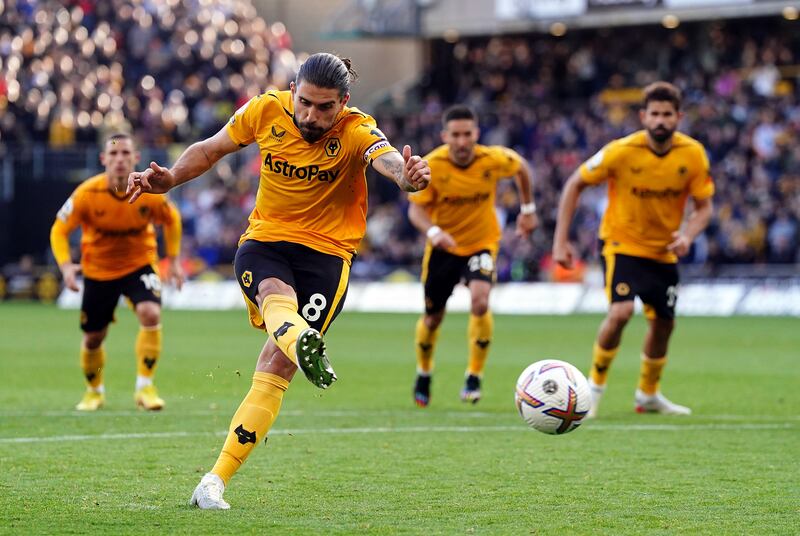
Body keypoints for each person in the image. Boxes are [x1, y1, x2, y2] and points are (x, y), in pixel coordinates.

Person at [126, 53, 431, 510]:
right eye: (304, 103)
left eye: (324, 108)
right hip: (264, 242)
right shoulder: (264, 110)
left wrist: (407, 178)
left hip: (327, 258)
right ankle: (301, 338)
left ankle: (213, 480)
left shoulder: (355, 128)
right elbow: (210, 149)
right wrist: (171, 178)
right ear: (292, 91)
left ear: (343, 103)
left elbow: (386, 160)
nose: (311, 115)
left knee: (278, 363)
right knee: (274, 296)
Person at [552, 82, 714, 417]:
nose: (660, 121)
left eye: (667, 114)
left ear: (679, 117)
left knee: (664, 324)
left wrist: (688, 235)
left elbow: (704, 207)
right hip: (621, 243)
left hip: (664, 251)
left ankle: (648, 395)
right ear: (643, 116)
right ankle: (592, 390)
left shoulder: (693, 154)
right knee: (621, 312)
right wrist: (560, 241)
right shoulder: (621, 150)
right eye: (654, 113)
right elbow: (574, 183)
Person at [407, 105, 538, 407]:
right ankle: (424, 372)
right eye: (456, 135)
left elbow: (521, 168)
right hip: (444, 248)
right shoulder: (433, 165)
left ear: (476, 134)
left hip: (482, 244)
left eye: (468, 134)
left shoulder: (492, 159)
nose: (462, 141)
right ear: (445, 136)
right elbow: (416, 209)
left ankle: (474, 375)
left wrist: (528, 210)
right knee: (432, 317)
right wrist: (434, 232)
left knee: (480, 301)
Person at [50, 133, 184, 412]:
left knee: (151, 313)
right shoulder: (87, 194)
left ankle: (145, 387)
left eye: (125, 153)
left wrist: (172, 259)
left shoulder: (149, 192)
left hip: (139, 264)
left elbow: (172, 219)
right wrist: (65, 267)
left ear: (136, 158)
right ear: (103, 160)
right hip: (99, 270)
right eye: (113, 154)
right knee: (93, 337)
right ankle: (94, 392)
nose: (120, 159)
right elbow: (59, 230)